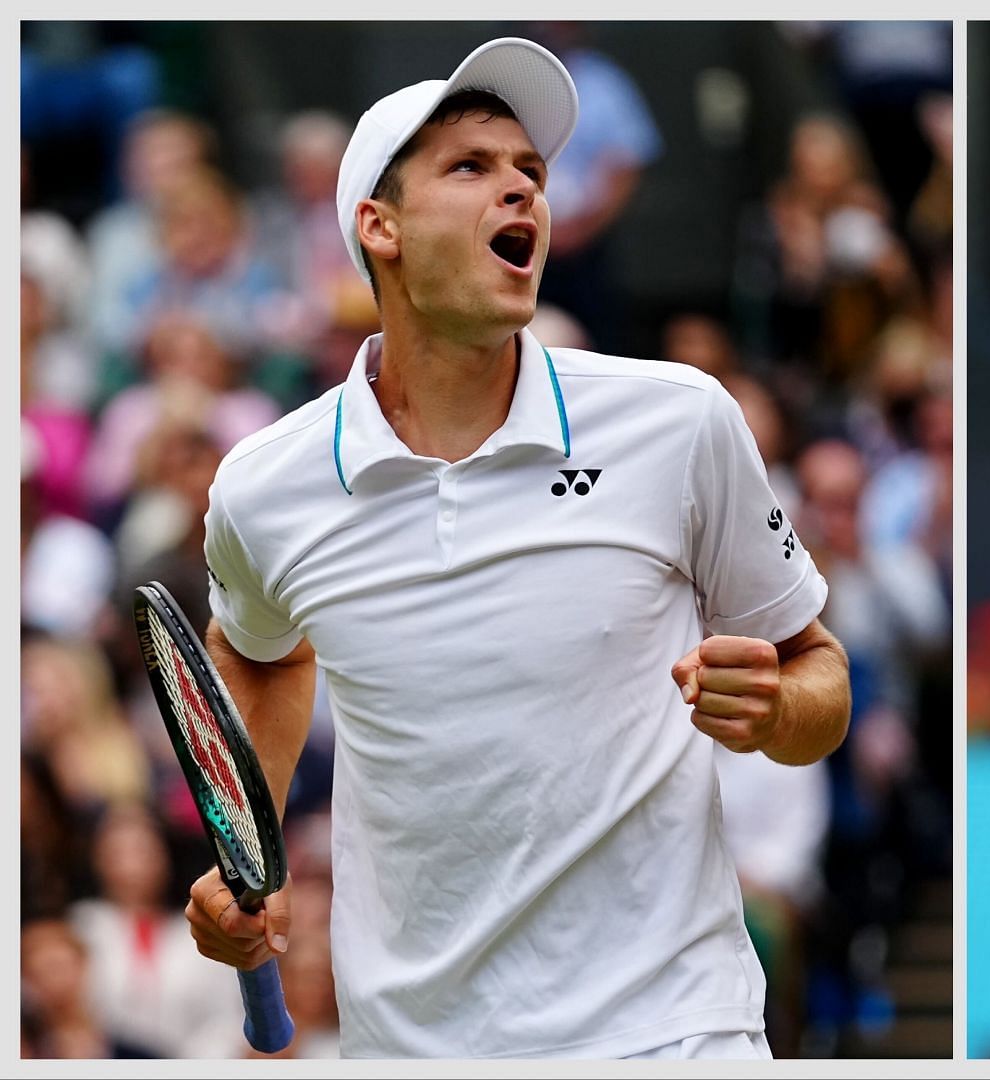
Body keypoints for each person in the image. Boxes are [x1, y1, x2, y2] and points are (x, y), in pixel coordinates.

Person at [180, 38, 851, 1060]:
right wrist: (249, 844)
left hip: (671, 1032)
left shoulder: (680, 422)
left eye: (530, 172)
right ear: (381, 227)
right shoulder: (267, 486)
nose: (522, 191)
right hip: (412, 1045)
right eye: (472, 167)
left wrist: (774, 710)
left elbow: (821, 684)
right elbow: (259, 653)